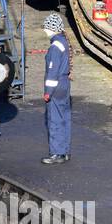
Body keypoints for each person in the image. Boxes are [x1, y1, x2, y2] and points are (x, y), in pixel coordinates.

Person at [42, 11, 71, 164]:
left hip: (57, 87)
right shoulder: (64, 42)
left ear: (52, 28)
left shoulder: (54, 47)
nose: (44, 30)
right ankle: (65, 151)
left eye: (46, 27)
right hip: (65, 84)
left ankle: (56, 153)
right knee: (65, 118)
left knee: (55, 120)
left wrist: (48, 93)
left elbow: (52, 72)